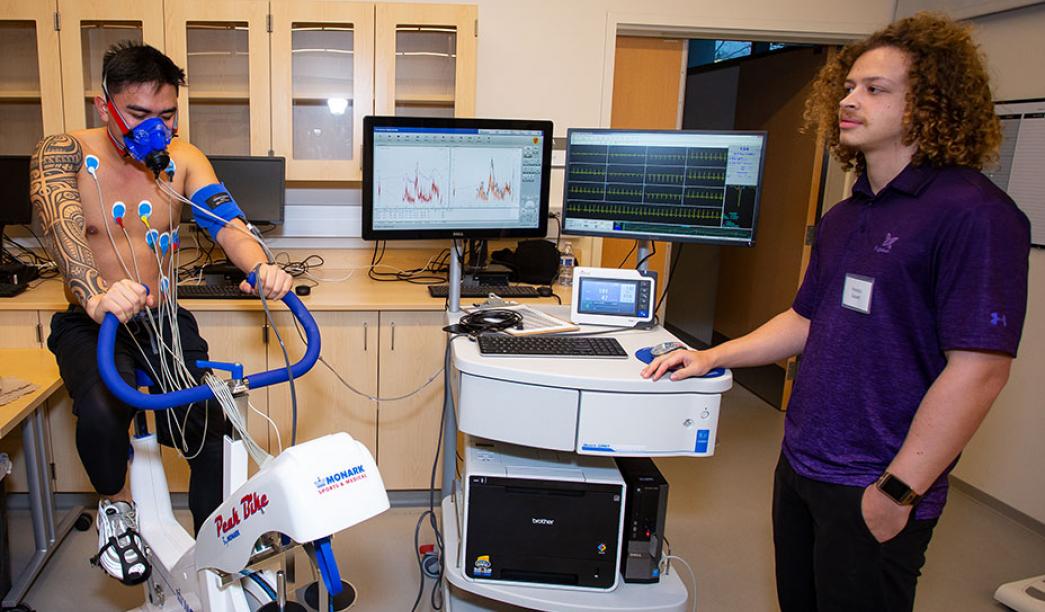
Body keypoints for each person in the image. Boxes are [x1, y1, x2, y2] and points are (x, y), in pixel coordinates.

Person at [642, 13, 1030, 612]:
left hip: (876, 481)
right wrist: (709, 355)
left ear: (930, 104)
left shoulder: (974, 214)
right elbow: (806, 319)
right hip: (802, 464)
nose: (850, 100)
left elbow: (980, 370)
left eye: (876, 89)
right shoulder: (849, 214)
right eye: (849, 87)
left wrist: (898, 490)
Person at [29, 42, 293, 585]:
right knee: (102, 415)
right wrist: (97, 294)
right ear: (106, 107)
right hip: (93, 320)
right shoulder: (64, 153)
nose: (157, 128)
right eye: (140, 115)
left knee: (215, 428)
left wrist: (263, 267)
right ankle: (116, 509)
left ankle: (219, 545)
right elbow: (64, 236)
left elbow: (227, 223)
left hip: (164, 321)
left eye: (167, 114)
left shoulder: (185, 158)